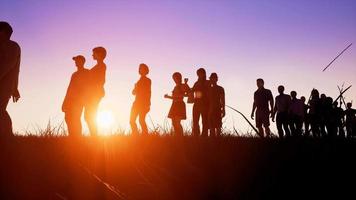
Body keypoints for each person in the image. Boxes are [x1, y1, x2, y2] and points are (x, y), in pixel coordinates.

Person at [0, 21, 21, 137]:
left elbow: (7, 66)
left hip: (4, 86)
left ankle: (7, 137)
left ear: (3, 32)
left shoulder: (11, 46)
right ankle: (8, 137)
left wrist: (14, 88)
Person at [62, 55, 90, 136]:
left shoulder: (87, 72)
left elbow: (88, 87)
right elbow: (69, 88)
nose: (76, 62)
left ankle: (78, 137)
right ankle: (72, 136)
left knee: (76, 118)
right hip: (70, 99)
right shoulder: (74, 74)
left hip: (79, 100)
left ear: (82, 62)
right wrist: (65, 101)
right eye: (75, 61)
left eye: (77, 61)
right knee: (68, 118)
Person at [84, 47, 107, 136]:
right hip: (93, 93)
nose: (92, 55)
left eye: (94, 53)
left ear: (99, 54)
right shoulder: (98, 66)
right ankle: (94, 136)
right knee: (89, 115)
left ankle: (94, 137)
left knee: (90, 115)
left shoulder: (101, 65)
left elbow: (102, 80)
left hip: (95, 93)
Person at [130, 63, 151, 135]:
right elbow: (133, 93)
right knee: (131, 120)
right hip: (136, 102)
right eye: (140, 68)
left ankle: (145, 136)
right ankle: (135, 135)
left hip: (143, 103)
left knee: (141, 120)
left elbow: (147, 92)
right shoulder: (138, 82)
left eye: (142, 68)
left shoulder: (148, 80)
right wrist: (135, 88)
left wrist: (148, 104)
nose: (140, 70)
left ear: (146, 70)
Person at [191, 68, 210, 136]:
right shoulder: (196, 83)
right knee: (195, 121)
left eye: (200, 74)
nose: (199, 75)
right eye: (198, 74)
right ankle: (196, 135)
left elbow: (210, 92)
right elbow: (192, 90)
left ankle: (204, 135)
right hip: (196, 103)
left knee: (204, 121)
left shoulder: (208, 82)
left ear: (204, 74)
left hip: (205, 104)